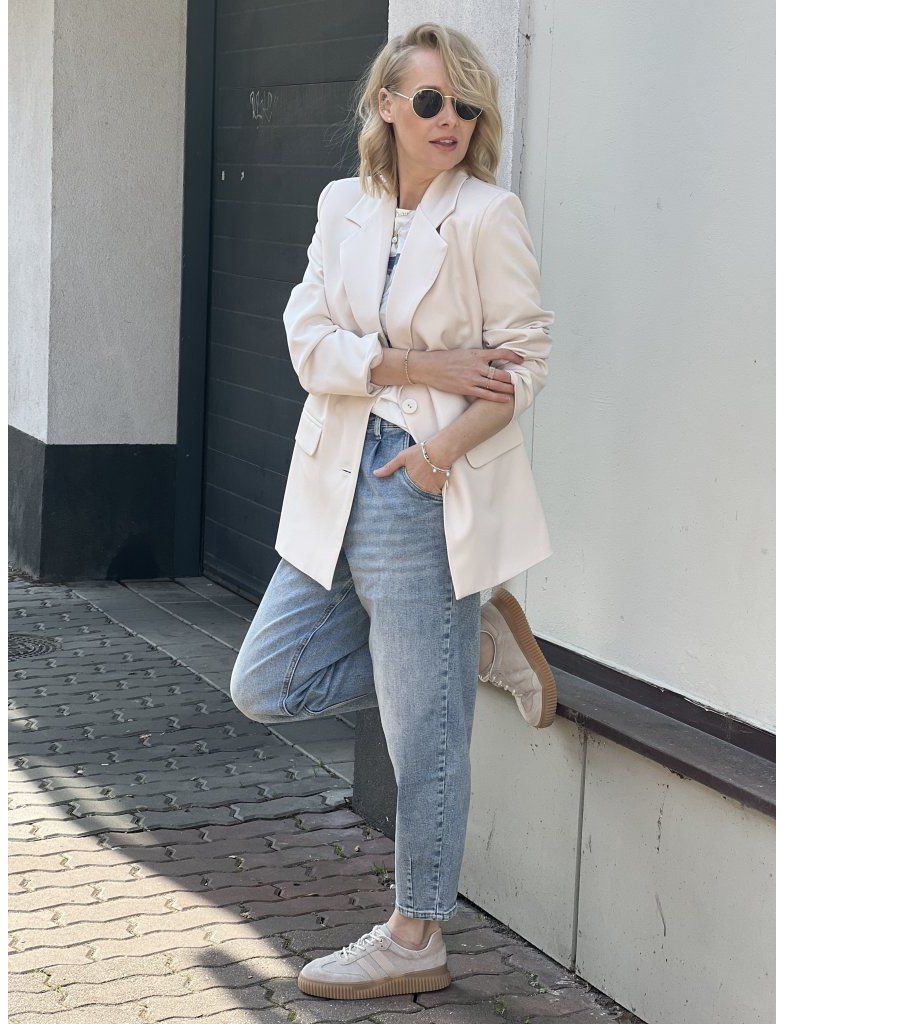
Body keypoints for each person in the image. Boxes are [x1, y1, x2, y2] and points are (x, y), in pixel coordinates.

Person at [229, 21, 557, 1001]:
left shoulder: (488, 216)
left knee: (424, 740)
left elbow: (522, 365)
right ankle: (475, 642)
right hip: (333, 479)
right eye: (429, 100)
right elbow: (307, 343)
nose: (449, 119)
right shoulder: (344, 206)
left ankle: (416, 935)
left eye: (466, 105)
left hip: (422, 486)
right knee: (267, 680)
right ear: (387, 104)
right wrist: (418, 364)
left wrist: (436, 456)